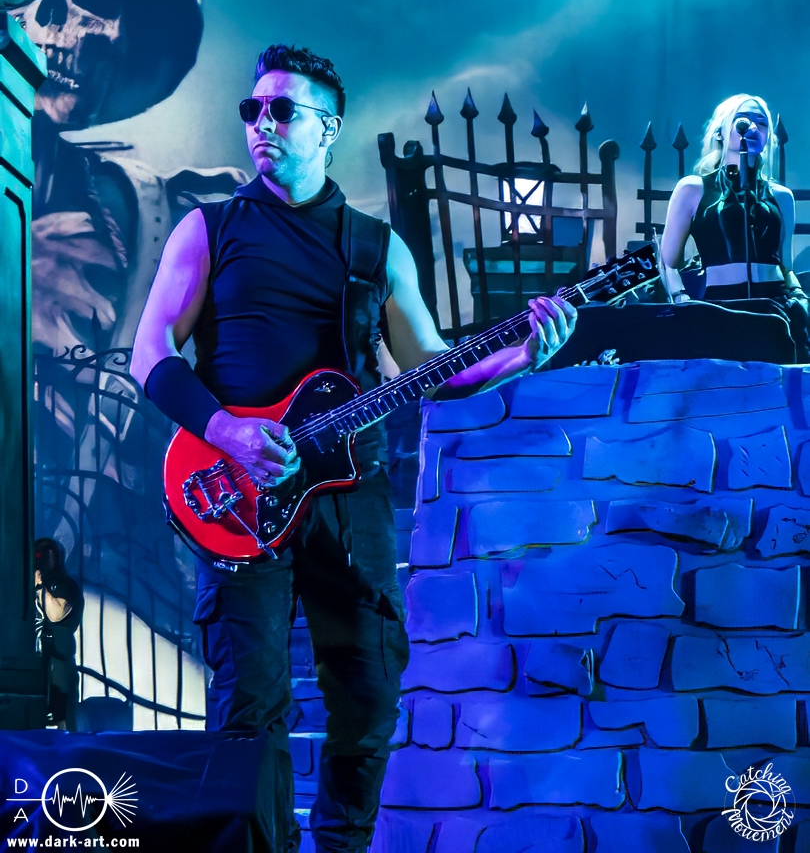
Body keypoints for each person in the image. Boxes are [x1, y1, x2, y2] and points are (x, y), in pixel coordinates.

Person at [130, 44, 577, 852]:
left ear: (328, 129)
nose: (262, 124)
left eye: (283, 110)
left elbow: (432, 364)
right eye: (253, 109)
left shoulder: (375, 247)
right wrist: (225, 429)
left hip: (350, 496)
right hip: (237, 492)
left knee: (369, 693)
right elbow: (150, 351)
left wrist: (519, 354)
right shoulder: (210, 228)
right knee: (249, 707)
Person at [660, 94, 808, 353]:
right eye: (743, 119)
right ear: (720, 131)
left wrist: (799, 297)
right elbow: (668, 262)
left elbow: (786, 266)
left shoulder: (781, 196)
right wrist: (681, 299)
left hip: (776, 309)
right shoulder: (693, 189)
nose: (753, 127)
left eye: (761, 122)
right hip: (719, 309)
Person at [34, 538, 84, 731]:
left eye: (45, 553)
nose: (41, 558)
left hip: (59, 659)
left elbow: (56, 614)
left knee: (61, 716)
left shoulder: (66, 585)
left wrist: (40, 587)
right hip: (37, 660)